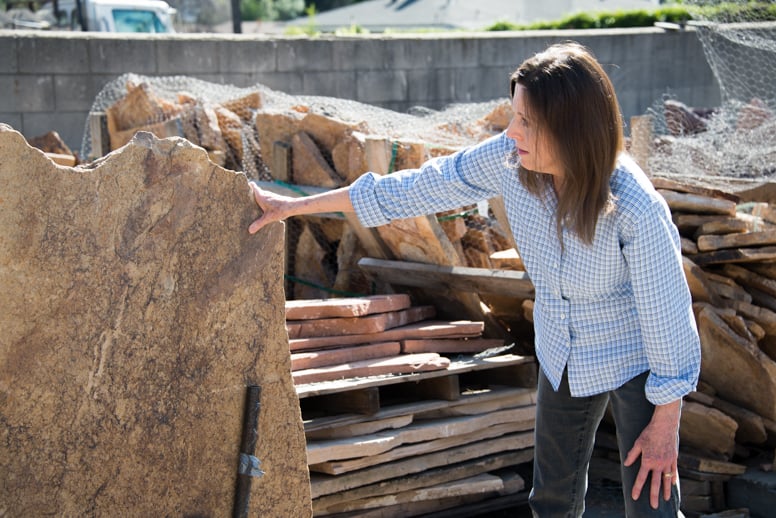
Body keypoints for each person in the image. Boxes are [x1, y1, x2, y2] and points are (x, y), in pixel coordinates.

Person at [247, 41, 701, 517]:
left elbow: (666, 314)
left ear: (568, 127)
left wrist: (666, 416)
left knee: (651, 502)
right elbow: (416, 187)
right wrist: (294, 206)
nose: (511, 130)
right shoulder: (509, 160)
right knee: (550, 500)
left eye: (526, 121)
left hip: (639, 356)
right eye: (514, 115)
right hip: (562, 347)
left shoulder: (634, 205)